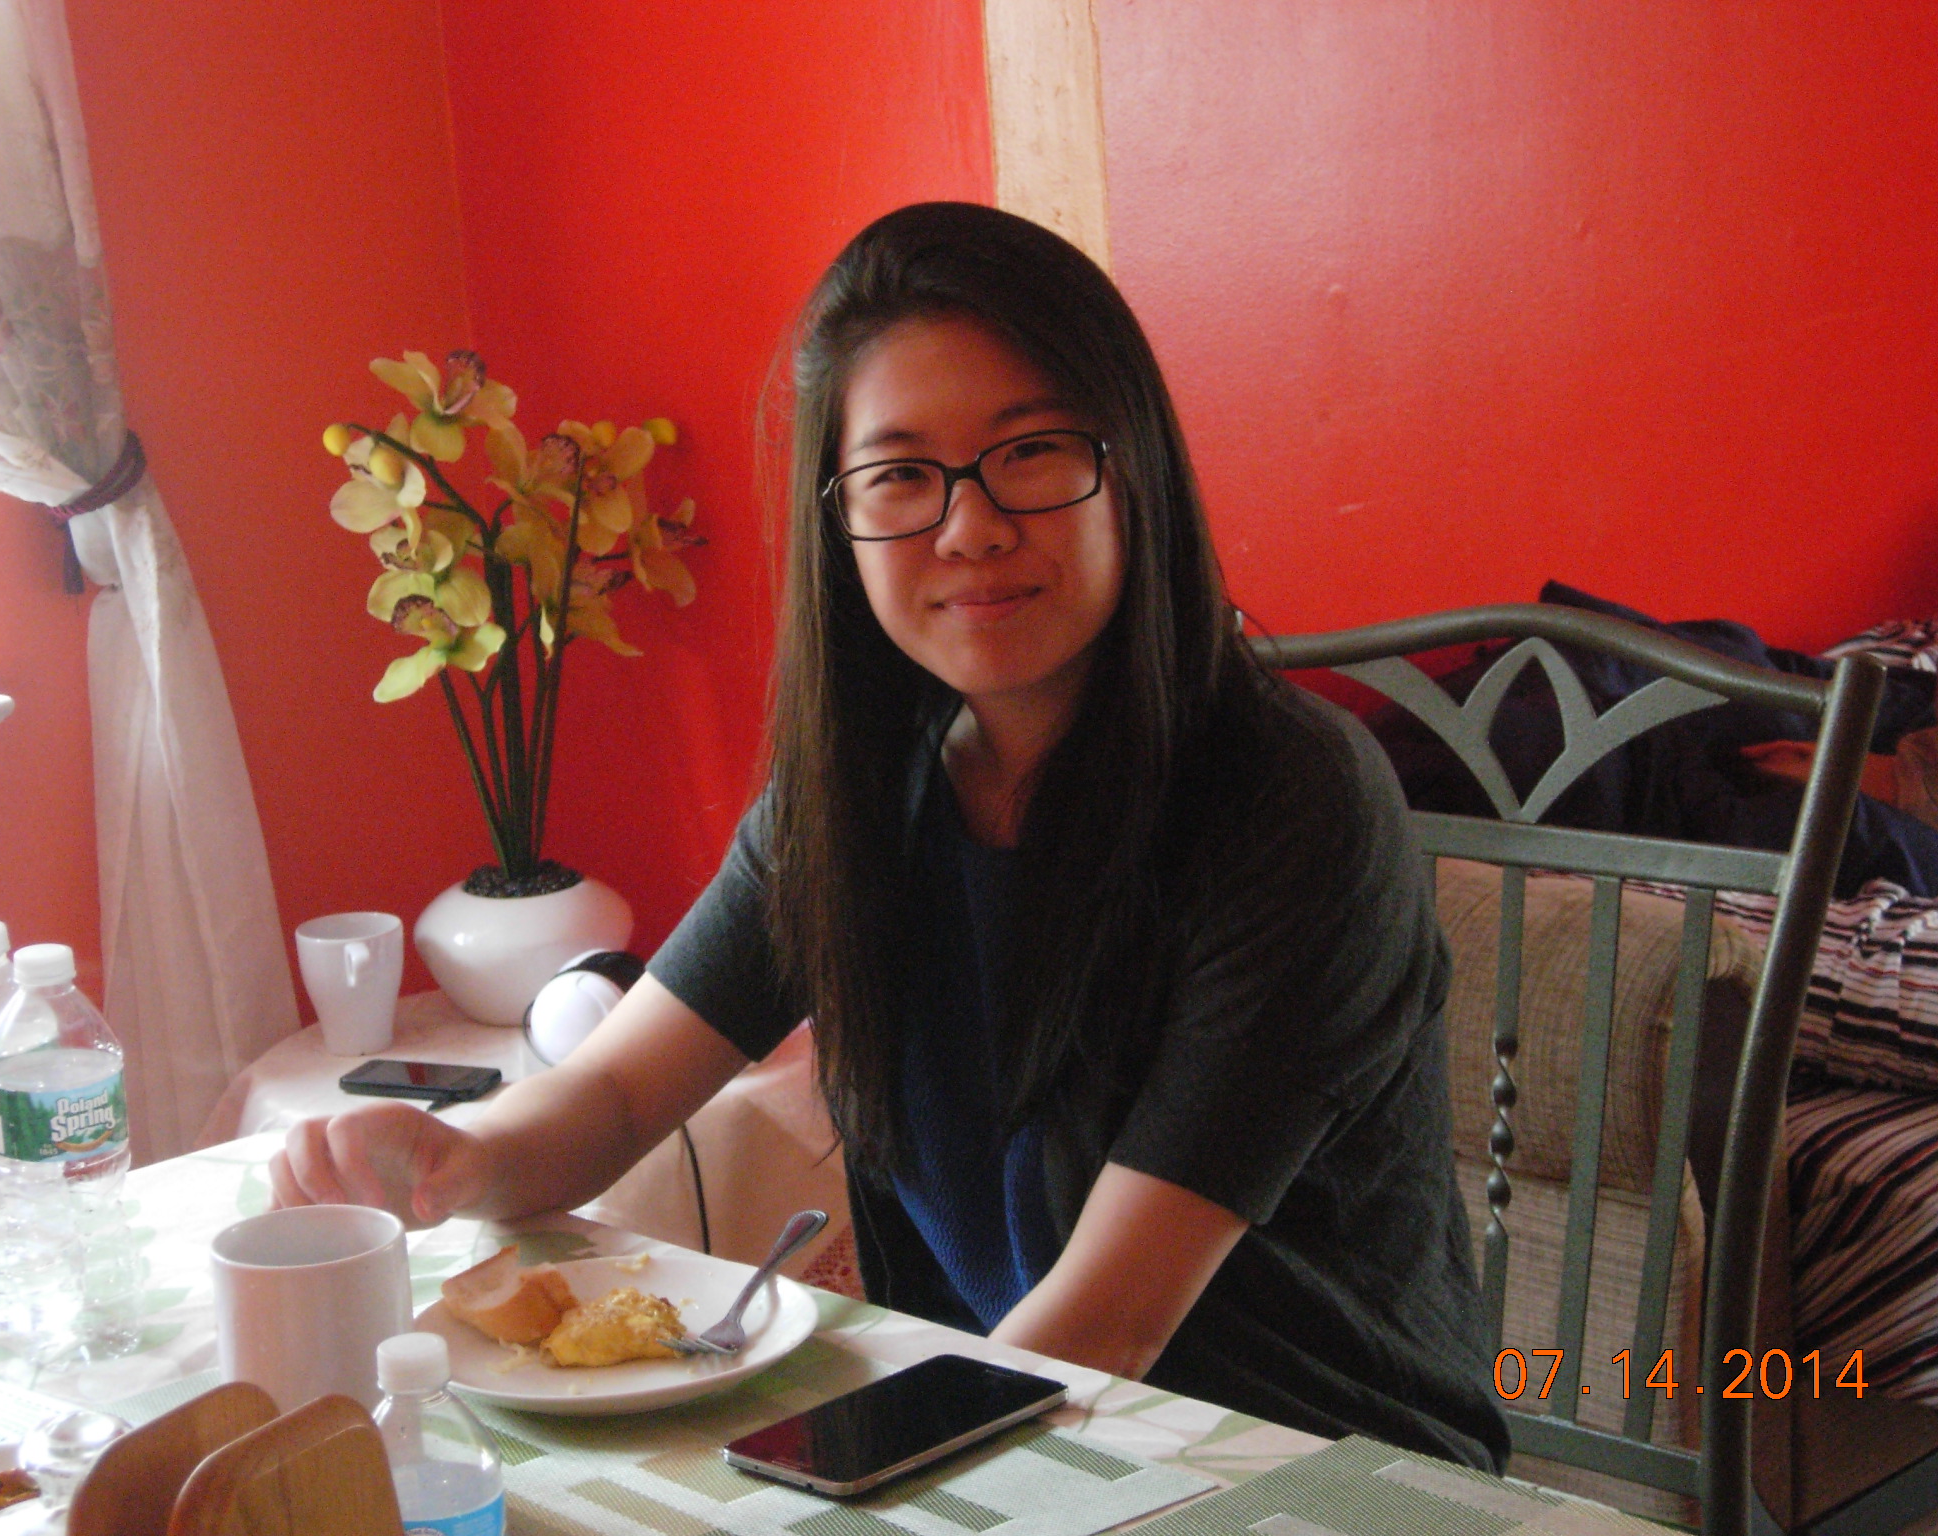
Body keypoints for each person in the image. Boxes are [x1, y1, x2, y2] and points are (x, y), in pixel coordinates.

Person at [273, 202, 1508, 1470]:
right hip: (1017, 1439)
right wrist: (455, 1159)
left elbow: (1112, 1324)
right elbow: (620, 1090)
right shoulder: (858, 797)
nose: (968, 526)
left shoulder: (1290, 800)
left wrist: (829, 1478)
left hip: (1315, 1466)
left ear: (1130, 465)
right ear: (840, 519)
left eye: (1030, 451)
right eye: (901, 476)